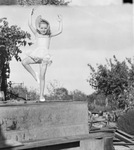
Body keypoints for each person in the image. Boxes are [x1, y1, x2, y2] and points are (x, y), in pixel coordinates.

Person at [21, 8, 63, 102]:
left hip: (44, 58)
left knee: (43, 76)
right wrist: (30, 14)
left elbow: (60, 31)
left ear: (47, 28)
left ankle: (41, 96)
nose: (43, 30)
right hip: (36, 55)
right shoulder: (36, 34)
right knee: (24, 62)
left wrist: (60, 21)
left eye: (45, 28)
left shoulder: (49, 35)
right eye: (42, 28)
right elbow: (29, 24)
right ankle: (34, 75)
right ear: (38, 28)